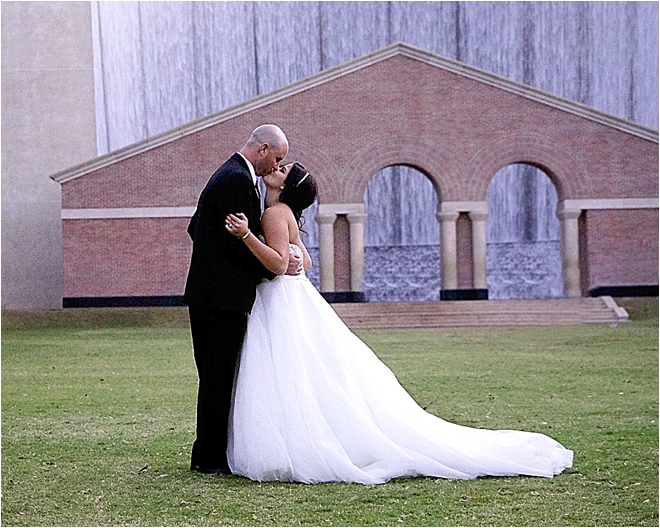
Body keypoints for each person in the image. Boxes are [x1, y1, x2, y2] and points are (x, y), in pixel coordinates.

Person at [224, 163, 573, 485]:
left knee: (287, 371)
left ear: (286, 186)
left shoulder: (273, 213)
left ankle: (291, 444)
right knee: (303, 373)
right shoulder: (283, 213)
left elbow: (277, 263)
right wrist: (296, 258)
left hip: (282, 303)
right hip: (294, 300)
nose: (275, 168)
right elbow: (305, 261)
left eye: (282, 169)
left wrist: (245, 236)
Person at [183, 124, 302, 475]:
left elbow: (196, 227)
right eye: (277, 157)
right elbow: (231, 241)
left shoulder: (234, 174)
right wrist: (272, 269)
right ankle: (209, 459)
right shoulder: (236, 179)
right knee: (218, 377)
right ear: (263, 149)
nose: (277, 165)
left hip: (212, 294)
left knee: (215, 376)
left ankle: (208, 453)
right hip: (221, 298)